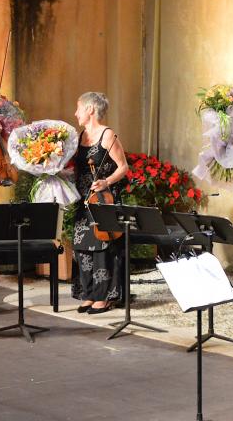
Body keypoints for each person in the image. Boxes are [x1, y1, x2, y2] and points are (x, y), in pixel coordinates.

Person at [70, 92, 130, 314]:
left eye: (78, 108)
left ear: (90, 110)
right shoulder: (79, 136)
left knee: (102, 247)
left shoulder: (107, 135)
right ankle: (88, 293)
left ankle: (104, 296)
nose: (76, 113)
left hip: (104, 199)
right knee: (82, 246)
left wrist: (106, 181)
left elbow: (123, 167)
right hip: (83, 199)